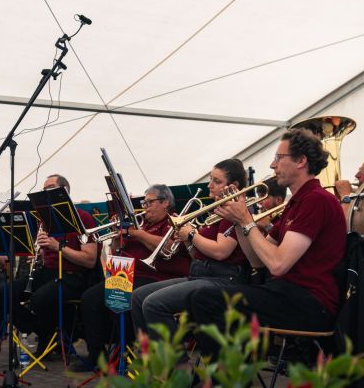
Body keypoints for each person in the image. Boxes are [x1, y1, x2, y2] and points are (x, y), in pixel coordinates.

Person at [189, 129, 346, 359]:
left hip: (309, 302)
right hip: (286, 294)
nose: (273, 165)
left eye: (279, 158)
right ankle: (232, 368)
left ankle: (225, 373)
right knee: (206, 297)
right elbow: (257, 260)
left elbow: (278, 264)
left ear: (301, 161)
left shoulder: (317, 200)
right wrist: (240, 223)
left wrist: (246, 220)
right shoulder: (296, 203)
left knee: (206, 299)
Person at [74, 184, 191, 372]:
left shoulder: (175, 222)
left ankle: (132, 350)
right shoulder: (142, 224)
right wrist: (117, 238)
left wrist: (138, 234)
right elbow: (115, 255)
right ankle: (97, 354)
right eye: (144, 203)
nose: (145, 207)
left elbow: (168, 248)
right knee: (90, 298)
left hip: (159, 278)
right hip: (128, 274)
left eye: (149, 202)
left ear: (165, 203)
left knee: (125, 297)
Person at [131, 159, 250, 339]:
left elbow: (221, 252)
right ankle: (149, 352)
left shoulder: (234, 213)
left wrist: (192, 234)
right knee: (137, 297)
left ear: (233, 186)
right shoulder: (217, 211)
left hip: (224, 279)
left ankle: (175, 357)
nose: (209, 185)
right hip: (201, 274)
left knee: (153, 304)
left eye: (217, 181)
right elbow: (197, 256)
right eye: (210, 179)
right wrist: (186, 240)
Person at [0, 174, 98, 357]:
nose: (45, 193)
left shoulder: (83, 218)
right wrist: (40, 255)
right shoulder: (44, 219)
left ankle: (56, 335)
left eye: (50, 188)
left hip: (74, 275)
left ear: (64, 191)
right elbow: (48, 254)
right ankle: (45, 332)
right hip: (48, 272)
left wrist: (58, 247)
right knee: (2, 295)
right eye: (44, 189)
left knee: (40, 299)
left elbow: (90, 260)